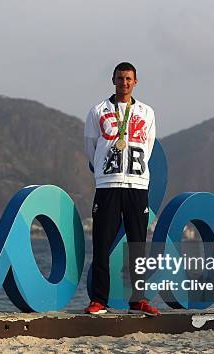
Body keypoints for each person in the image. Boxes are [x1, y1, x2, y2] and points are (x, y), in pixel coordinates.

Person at [83, 62, 160, 316]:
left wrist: (133, 171)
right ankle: (99, 300)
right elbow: (91, 148)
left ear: (135, 82)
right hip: (108, 185)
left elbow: (148, 147)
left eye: (128, 79)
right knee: (102, 244)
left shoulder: (147, 112)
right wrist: (106, 171)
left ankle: (138, 299)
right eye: (119, 78)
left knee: (138, 245)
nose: (124, 83)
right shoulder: (98, 111)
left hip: (137, 185)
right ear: (113, 80)